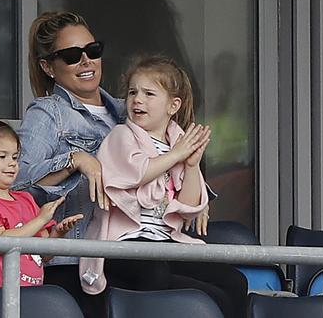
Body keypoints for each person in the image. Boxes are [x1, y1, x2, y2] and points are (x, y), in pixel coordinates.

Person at [79, 56, 247, 318]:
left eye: (149, 93)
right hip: (123, 246)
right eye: (133, 92)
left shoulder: (178, 142)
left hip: (165, 244)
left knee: (233, 280)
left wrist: (191, 165)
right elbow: (136, 173)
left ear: (173, 105)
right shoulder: (122, 135)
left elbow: (190, 207)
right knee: (161, 274)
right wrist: (176, 155)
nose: (137, 100)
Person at [12, 11, 125, 316]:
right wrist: (75, 160)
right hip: (74, 263)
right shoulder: (49, 113)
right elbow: (16, 183)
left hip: (129, 252)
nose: (87, 61)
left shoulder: (128, 111)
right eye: (73, 56)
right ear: (48, 67)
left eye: (93, 50)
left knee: (227, 283)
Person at [0, 108, 82, 287]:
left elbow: (44, 254)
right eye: (2, 156)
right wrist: (41, 219)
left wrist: (57, 233)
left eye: (14, 157)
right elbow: (2, 242)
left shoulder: (26, 199)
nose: (12, 163)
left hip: (33, 295)